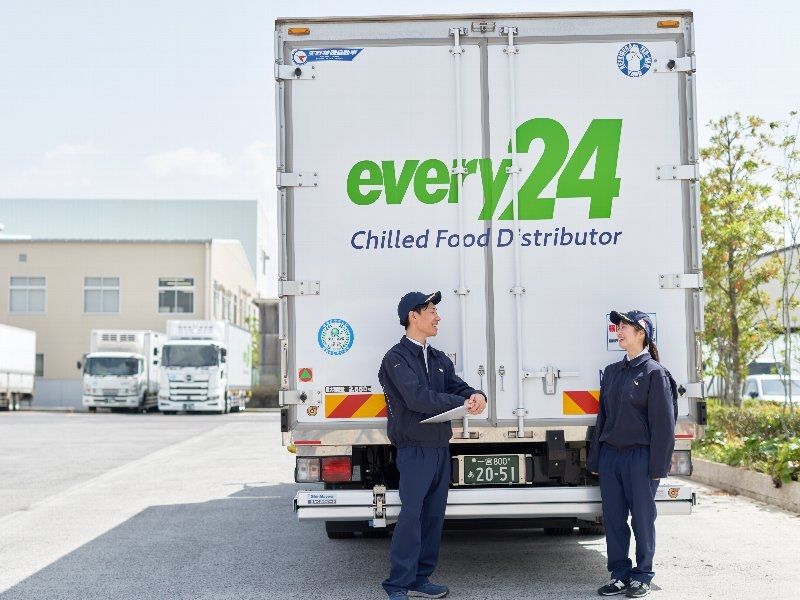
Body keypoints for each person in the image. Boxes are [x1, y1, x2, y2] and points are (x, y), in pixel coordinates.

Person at [379, 290, 487, 600]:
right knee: (412, 516)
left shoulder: (438, 358)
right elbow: (417, 399)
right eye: (432, 312)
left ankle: (420, 578)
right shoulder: (396, 358)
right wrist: (461, 403)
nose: (438, 317)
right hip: (414, 448)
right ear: (413, 317)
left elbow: (457, 386)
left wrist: (476, 395)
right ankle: (398, 583)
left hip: (439, 446)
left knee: (433, 516)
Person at [587, 310, 678, 598]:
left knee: (641, 519)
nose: (619, 330)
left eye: (626, 326)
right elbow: (602, 419)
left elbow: (664, 425)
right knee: (613, 519)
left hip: (640, 457)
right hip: (611, 457)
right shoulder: (612, 372)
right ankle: (619, 575)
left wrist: (658, 466)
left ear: (642, 334)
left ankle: (643, 575)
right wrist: (596, 459)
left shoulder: (655, 373)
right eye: (618, 325)